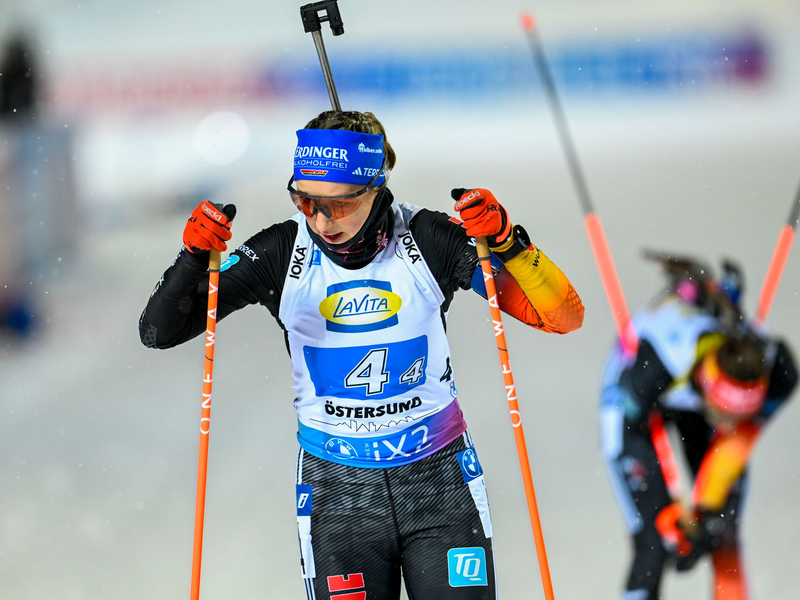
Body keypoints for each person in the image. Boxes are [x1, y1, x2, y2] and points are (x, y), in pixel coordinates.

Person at [139, 109, 584, 599]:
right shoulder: (281, 251)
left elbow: (561, 317)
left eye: (340, 206)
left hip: (437, 478)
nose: (322, 220)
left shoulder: (428, 238)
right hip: (337, 490)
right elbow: (159, 331)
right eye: (305, 202)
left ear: (376, 189)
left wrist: (508, 244)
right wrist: (191, 260)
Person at [599, 251, 797, 600]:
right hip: (636, 403)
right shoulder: (658, 364)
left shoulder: (778, 371)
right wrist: (672, 514)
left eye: (737, 416)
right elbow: (634, 431)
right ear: (707, 381)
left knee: (722, 531)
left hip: (692, 401)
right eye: (722, 411)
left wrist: (705, 514)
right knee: (653, 542)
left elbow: (737, 441)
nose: (727, 422)